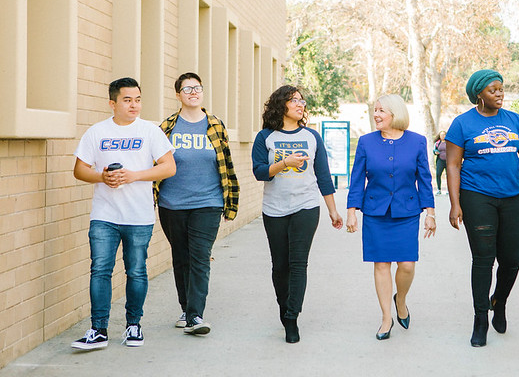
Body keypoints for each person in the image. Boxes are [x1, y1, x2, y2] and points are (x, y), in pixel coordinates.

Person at [71, 77, 176, 350]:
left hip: (139, 216)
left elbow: (168, 167)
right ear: (112, 103)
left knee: (137, 272)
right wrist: (102, 178)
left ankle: (133, 326)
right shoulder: (97, 132)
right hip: (104, 214)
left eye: (138, 99)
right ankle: (98, 330)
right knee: (100, 270)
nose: (134, 105)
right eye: (127, 100)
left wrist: (134, 176)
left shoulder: (150, 131)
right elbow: (79, 170)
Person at [445, 69, 519, 347]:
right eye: (493, 90)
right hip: (477, 197)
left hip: (511, 197)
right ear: (479, 94)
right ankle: (480, 319)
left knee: (512, 261)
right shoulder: (462, 124)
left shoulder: (515, 120)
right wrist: (455, 204)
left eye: (501, 88)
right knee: (483, 259)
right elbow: (452, 165)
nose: (499, 93)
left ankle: (498, 302)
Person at [251, 85, 343, 344]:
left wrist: (333, 211)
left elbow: (323, 177)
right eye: (294, 100)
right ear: (281, 105)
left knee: (298, 263)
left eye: (302, 101)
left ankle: (292, 317)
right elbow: (259, 172)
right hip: (274, 209)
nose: (301, 104)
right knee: (280, 266)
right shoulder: (265, 137)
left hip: (306, 206)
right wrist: (283, 164)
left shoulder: (312, 137)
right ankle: (284, 309)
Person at [154, 72, 239, 336]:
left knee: (200, 257)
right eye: (187, 88)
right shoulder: (166, 127)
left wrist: (229, 202)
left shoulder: (215, 125)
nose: (193, 92)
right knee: (181, 257)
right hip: (172, 203)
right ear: (178, 94)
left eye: (198, 88)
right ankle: (186, 308)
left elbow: (226, 164)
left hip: (208, 202)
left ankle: (195, 315)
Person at [345, 94, 436, 341]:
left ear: (395, 114)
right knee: (381, 264)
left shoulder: (417, 142)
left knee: (407, 265)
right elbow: (356, 179)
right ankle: (386, 318)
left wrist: (430, 213)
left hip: (406, 212)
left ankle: (401, 299)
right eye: (375, 110)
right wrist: (351, 211)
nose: (376, 115)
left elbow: (424, 180)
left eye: (381, 111)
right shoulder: (366, 142)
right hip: (375, 212)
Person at [433, 130, 447, 195]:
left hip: (448, 161)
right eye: (441, 135)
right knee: (438, 174)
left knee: (449, 176)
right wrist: (435, 152)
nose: (442, 136)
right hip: (440, 160)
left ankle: (448, 190)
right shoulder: (437, 143)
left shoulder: (449, 142)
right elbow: (434, 150)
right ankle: (439, 189)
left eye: (444, 135)